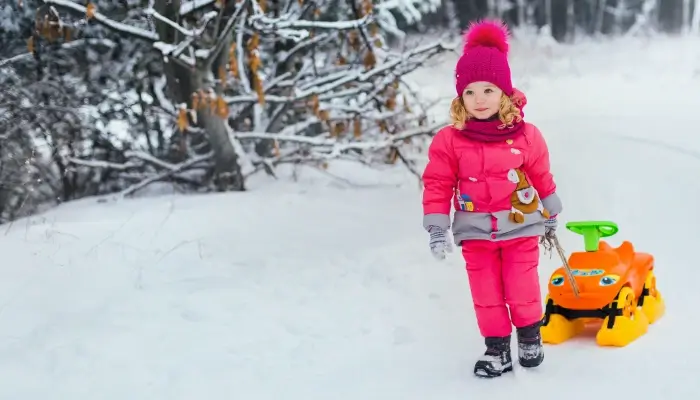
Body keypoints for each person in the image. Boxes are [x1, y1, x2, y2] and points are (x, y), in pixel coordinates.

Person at [421, 19, 563, 378]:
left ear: (504, 92)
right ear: (459, 97)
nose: (479, 99)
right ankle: (497, 349)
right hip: (475, 230)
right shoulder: (449, 140)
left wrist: (550, 209)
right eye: (469, 92)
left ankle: (530, 337)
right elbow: (437, 183)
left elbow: (542, 175)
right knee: (485, 291)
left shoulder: (527, 136)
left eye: (488, 90)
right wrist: (437, 227)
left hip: (520, 224)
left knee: (522, 285)